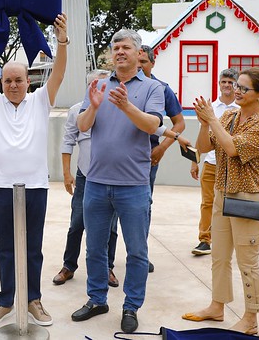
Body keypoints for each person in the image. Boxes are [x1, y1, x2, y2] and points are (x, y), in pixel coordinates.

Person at [0, 11, 68, 328]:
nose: (13, 85)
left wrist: (61, 41)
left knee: (33, 248)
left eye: (18, 80)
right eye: (7, 80)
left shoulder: (40, 101)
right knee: (6, 249)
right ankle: (6, 301)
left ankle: (33, 299)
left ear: (28, 81)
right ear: (1, 82)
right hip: (2, 187)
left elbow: (59, 75)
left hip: (35, 186)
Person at [70, 29, 164, 334]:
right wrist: (95, 105)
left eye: (125, 47)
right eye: (115, 47)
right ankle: (97, 299)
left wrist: (125, 106)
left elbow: (152, 125)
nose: (119, 51)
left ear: (138, 54)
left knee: (136, 250)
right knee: (95, 248)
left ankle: (131, 306)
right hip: (96, 182)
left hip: (134, 185)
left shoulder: (152, 88)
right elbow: (82, 125)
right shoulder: (97, 85)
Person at [182, 67, 259, 335]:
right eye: (238, 86)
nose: (237, 91)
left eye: (244, 88)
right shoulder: (230, 114)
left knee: (248, 262)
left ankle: (251, 317)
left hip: (247, 197)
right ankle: (217, 306)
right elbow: (203, 147)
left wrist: (211, 120)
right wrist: (203, 124)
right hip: (223, 194)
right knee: (220, 257)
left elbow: (233, 148)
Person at [53, 69, 121, 288]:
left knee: (110, 227)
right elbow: (67, 142)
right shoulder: (76, 111)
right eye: (97, 85)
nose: (102, 89)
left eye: (105, 85)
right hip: (85, 178)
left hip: (111, 177)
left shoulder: (116, 110)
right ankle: (69, 266)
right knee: (76, 224)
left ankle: (107, 268)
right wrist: (66, 174)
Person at [137, 44, 185, 272]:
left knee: (143, 205)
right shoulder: (119, 86)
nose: (139, 66)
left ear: (152, 63)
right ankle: (107, 262)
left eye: (143, 62)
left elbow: (180, 122)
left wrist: (163, 147)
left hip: (147, 158)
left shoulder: (161, 89)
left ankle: (139, 255)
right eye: (136, 61)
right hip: (118, 158)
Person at [189, 68, 239, 256]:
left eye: (231, 82)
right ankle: (205, 239)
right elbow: (203, 135)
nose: (227, 85)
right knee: (207, 202)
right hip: (211, 163)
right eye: (223, 81)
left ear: (237, 85)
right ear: (219, 84)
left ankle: (230, 239)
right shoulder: (211, 108)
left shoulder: (241, 109)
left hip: (234, 165)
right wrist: (195, 162)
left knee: (233, 203)